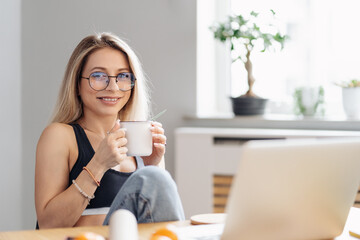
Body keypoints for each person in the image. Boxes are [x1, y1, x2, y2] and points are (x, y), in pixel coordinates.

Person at [35, 32, 184, 229]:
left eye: (122, 76)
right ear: (77, 84)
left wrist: (153, 166)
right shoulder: (60, 136)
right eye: (98, 76)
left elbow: (159, 223)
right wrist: (99, 163)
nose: (113, 87)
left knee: (157, 177)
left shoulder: (142, 140)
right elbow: (48, 224)